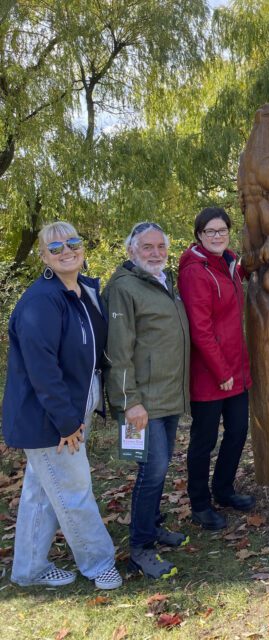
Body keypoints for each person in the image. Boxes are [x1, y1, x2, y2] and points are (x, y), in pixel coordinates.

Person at [2, 222, 122, 590]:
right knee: (73, 491)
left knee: (42, 494)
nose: (66, 251)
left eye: (73, 243)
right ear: (43, 256)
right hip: (50, 420)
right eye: (56, 248)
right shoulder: (42, 301)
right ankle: (99, 563)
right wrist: (67, 422)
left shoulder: (82, 292)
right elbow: (43, 370)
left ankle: (29, 570)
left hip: (69, 413)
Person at [104, 221, 190, 579]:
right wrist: (129, 402)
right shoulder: (124, 289)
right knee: (150, 472)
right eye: (147, 247)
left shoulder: (163, 282)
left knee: (160, 468)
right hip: (142, 402)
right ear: (131, 252)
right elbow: (117, 351)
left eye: (160, 246)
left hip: (168, 396)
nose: (156, 253)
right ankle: (141, 548)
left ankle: (153, 526)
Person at [178, 207, 254, 531]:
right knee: (204, 440)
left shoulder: (229, 262)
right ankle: (199, 503)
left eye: (222, 230)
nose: (217, 235)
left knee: (237, 431)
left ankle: (223, 490)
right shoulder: (195, 271)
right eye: (210, 231)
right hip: (210, 374)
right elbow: (201, 329)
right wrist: (222, 373)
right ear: (199, 235)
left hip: (235, 368)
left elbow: (242, 283)